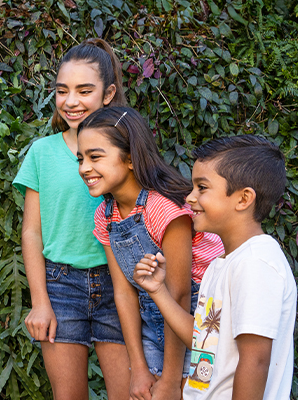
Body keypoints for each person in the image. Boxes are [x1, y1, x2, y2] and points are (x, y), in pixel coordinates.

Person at [76, 106, 224, 400]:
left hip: (193, 322)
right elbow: (124, 292)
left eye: (95, 157)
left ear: (130, 158)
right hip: (151, 321)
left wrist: (170, 380)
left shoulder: (164, 209)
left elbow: (179, 293)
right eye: (80, 159)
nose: (84, 168)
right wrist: (139, 367)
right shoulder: (105, 216)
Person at [133, 135, 296, 399]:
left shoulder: (256, 263)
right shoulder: (223, 263)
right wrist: (158, 291)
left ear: (243, 199)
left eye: (202, 188)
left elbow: (255, 361)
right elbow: (203, 342)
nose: (189, 197)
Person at [12, 39, 130, 399]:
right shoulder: (43, 152)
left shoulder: (127, 147)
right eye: (62, 91)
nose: (71, 101)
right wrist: (40, 301)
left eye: (84, 90)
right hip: (61, 287)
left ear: (108, 93)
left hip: (120, 284)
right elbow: (32, 233)